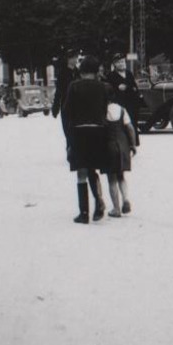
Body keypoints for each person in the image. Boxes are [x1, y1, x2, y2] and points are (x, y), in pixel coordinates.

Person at [60, 54, 109, 224]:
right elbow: (105, 111)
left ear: (82, 71)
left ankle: (84, 213)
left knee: (81, 172)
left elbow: (66, 112)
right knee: (92, 169)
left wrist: (68, 137)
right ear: (96, 72)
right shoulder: (103, 87)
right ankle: (99, 202)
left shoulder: (73, 86)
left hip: (78, 132)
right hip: (98, 132)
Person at [101, 93, 138, 216]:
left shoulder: (102, 111)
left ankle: (116, 209)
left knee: (111, 179)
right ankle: (126, 199)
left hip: (108, 147)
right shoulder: (122, 110)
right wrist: (133, 145)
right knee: (121, 176)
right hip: (123, 146)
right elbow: (130, 128)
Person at [105, 55, 143, 142]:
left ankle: (133, 142)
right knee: (121, 124)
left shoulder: (129, 73)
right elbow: (110, 90)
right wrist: (119, 89)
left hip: (132, 104)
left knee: (132, 123)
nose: (122, 64)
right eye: (119, 62)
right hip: (119, 104)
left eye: (123, 61)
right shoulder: (111, 76)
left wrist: (128, 88)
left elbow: (134, 87)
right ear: (114, 64)